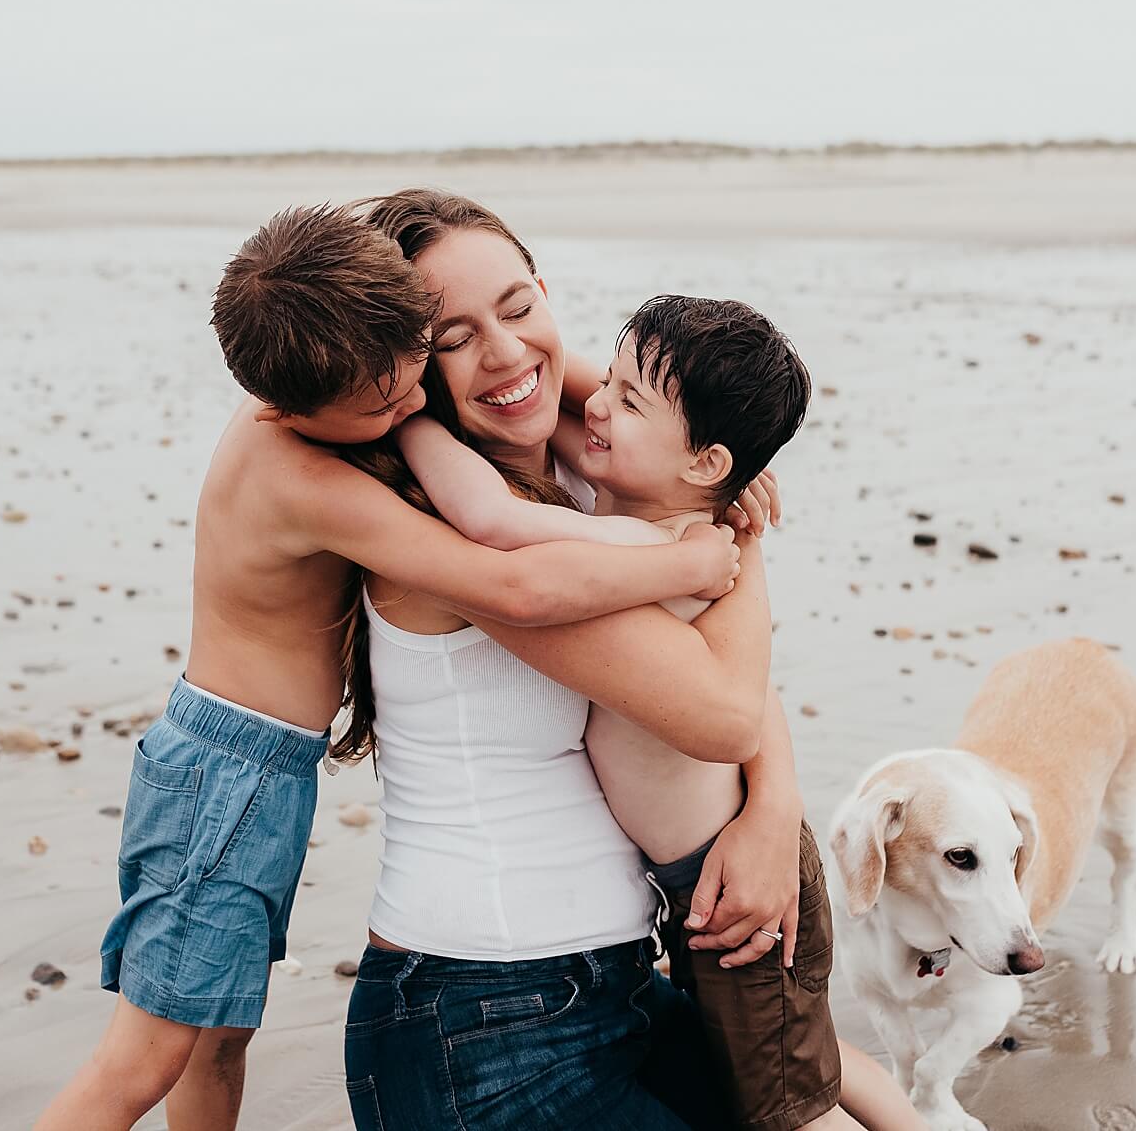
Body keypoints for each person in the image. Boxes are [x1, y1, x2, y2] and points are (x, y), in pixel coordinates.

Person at [33, 203, 739, 1131]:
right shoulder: (313, 474)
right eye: (393, 397)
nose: (408, 408)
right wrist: (694, 553)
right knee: (152, 1049)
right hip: (231, 771)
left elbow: (533, 356)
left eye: (412, 371)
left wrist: (709, 469)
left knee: (217, 1035)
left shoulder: (344, 369)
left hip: (270, 770)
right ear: (293, 410)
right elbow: (511, 581)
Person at [340, 189, 816, 1130]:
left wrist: (776, 805)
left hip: (616, 985)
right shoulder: (459, 531)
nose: (507, 352)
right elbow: (717, 707)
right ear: (405, 363)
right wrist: (726, 530)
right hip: (483, 1015)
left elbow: (721, 659)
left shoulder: (581, 464)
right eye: (452, 336)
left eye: (519, 308)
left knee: (819, 1095)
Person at [399, 293, 923, 1130]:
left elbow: (497, 526)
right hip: (699, 888)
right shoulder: (642, 498)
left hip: (737, 891)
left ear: (707, 462)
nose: (594, 404)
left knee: (787, 1110)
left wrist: (414, 423)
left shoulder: (685, 552)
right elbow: (571, 398)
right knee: (796, 1068)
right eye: (604, 381)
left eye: (626, 400)